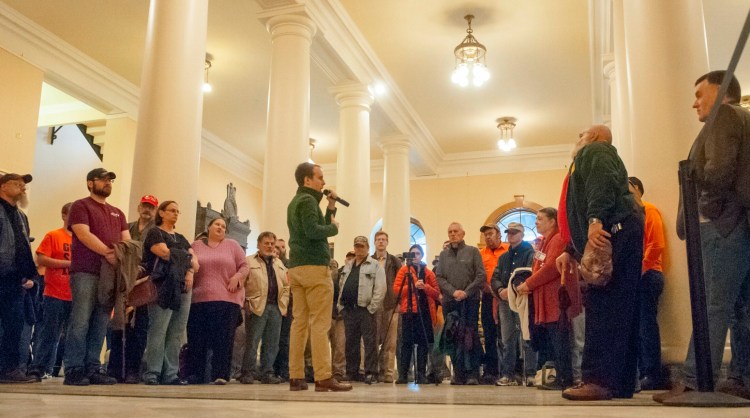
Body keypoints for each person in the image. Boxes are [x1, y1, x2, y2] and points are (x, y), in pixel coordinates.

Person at [656, 71, 750, 402]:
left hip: (722, 225)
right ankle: (741, 378)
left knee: (712, 303)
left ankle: (695, 379)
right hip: (741, 224)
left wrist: (706, 210)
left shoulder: (725, 115)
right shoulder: (745, 118)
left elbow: (719, 169)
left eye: (699, 93)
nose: (694, 101)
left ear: (722, 91)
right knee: (743, 307)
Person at [556, 125, 643, 401]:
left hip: (611, 231)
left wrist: (595, 221)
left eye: (580, 134)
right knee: (621, 305)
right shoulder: (596, 155)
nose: (578, 138)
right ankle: (620, 382)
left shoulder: (595, 150)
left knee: (603, 304)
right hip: (619, 229)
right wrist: (571, 248)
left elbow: (600, 185)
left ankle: (597, 380)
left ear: (592, 137)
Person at [286, 162, 351, 392]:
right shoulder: (308, 201)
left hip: (297, 268)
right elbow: (315, 231)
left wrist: (331, 206)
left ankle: (296, 376)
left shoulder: (297, 202)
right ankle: (323, 377)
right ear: (307, 180)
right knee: (320, 323)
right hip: (315, 268)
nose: (323, 182)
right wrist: (334, 228)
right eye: (320, 177)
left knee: (299, 323)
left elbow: (312, 226)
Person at [64, 168, 130, 386]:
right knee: (81, 320)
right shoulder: (81, 206)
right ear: (90, 183)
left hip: (109, 275)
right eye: (103, 179)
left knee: (101, 321)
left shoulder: (118, 213)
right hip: (86, 270)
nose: (108, 182)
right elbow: (83, 233)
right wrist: (107, 253)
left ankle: (93, 367)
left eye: (110, 179)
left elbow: (126, 241)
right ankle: (74, 368)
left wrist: (120, 256)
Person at [515, 208, 581, 390]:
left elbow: (552, 267)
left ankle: (565, 379)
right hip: (547, 299)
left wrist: (528, 284)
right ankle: (560, 377)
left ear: (552, 221)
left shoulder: (558, 239)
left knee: (561, 340)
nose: (536, 222)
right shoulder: (545, 242)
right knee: (554, 340)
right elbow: (540, 264)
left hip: (556, 300)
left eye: (540, 219)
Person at [141, 201, 198, 385]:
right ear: (162, 213)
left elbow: (196, 263)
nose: (175, 214)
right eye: (172, 211)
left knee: (176, 331)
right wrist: (186, 257)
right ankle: (153, 372)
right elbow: (163, 253)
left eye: (177, 211)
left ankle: (171, 373)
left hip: (183, 286)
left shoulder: (181, 237)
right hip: (163, 285)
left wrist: (189, 271)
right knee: (159, 330)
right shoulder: (155, 233)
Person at [186, 217, 247, 384]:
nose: (220, 228)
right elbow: (189, 264)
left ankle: (220, 374)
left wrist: (237, 276)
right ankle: (196, 374)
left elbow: (245, 265)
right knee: (197, 339)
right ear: (209, 227)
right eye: (217, 224)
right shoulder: (196, 246)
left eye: (223, 226)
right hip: (199, 299)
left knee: (223, 339)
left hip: (226, 299)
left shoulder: (232, 245)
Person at [627, 176, 667, 390]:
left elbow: (656, 244)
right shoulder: (631, 214)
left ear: (638, 189)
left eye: (628, 186)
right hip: (637, 276)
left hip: (648, 274)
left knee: (646, 325)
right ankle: (643, 372)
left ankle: (652, 373)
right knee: (639, 326)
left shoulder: (648, 210)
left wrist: (639, 270)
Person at [435, 222, 485, 385]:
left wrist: (466, 292)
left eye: (456, 231)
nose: (452, 234)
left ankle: (472, 374)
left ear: (463, 234)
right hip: (451, 302)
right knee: (453, 337)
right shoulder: (443, 255)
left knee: (470, 336)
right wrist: (453, 292)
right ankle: (458, 373)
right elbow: (440, 278)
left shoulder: (472, 252)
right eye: (450, 232)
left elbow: (480, 275)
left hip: (469, 301)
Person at [27, 202, 73, 381]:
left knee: (73, 335)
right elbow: (42, 258)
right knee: (49, 333)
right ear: (64, 215)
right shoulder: (54, 236)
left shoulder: (84, 240)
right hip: (55, 292)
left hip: (76, 294)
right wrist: (67, 264)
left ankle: (70, 369)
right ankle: (38, 368)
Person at [0, 173, 37, 384]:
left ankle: (10, 369)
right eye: (17, 184)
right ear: (3, 187)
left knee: (14, 324)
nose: (22, 188)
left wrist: (27, 273)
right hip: (2, 274)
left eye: (24, 186)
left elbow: (23, 245)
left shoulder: (21, 216)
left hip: (15, 279)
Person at [240, 231, 289, 384]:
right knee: (252, 341)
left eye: (271, 244)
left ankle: (267, 372)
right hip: (256, 306)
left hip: (276, 307)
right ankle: (248, 372)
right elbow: (242, 283)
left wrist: (284, 303)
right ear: (258, 245)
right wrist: (246, 301)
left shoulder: (279, 263)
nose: (269, 246)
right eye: (266, 243)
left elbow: (287, 286)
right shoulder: (248, 262)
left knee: (272, 342)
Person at [337, 236, 386, 384]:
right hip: (349, 310)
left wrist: (372, 307)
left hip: (366, 310)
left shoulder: (375, 265)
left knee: (370, 342)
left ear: (367, 248)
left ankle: (371, 372)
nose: (359, 249)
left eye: (362, 247)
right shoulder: (348, 265)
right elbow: (341, 284)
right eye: (357, 246)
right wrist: (341, 306)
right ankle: (352, 372)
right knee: (351, 342)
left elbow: (380, 288)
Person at [491, 222, 535, 386]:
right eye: (509, 232)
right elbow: (494, 278)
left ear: (522, 234)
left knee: (527, 336)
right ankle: (507, 374)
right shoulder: (503, 257)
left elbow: (529, 274)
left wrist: (514, 290)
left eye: (515, 232)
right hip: (505, 302)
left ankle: (530, 373)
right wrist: (501, 289)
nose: (511, 235)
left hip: (523, 300)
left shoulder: (530, 253)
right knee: (507, 338)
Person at [393, 244, 440, 384]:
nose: (415, 256)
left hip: (425, 311)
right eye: (412, 254)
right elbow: (396, 290)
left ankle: (421, 374)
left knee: (423, 344)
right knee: (406, 343)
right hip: (409, 311)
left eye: (417, 253)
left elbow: (437, 293)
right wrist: (413, 287)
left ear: (422, 255)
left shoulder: (429, 273)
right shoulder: (403, 271)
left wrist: (425, 287)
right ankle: (403, 374)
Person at [478, 223, 509, 383]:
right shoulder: (481, 254)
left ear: (498, 235)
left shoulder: (508, 250)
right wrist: (487, 288)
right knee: (489, 334)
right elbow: (478, 274)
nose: (488, 237)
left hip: (506, 296)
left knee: (507, 334)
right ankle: (491, 371)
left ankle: (510, 370)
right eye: (486, 235)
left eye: (490, 234)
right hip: (488, 296)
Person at [371, 231, 402, 383]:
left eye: (383, 239)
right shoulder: (369, 261)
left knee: (390, 341)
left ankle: (388, 373)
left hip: (391, 305)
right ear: (375, 242)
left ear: (387, 242)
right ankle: (374, 371)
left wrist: (399, 303)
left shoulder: (395, 262)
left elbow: (402, 284)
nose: (381, 242)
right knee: (373, 339)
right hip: (374, 306)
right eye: (378, 240)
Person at [272, 237, 291, 381]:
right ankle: (269, 368)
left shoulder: (289, 265)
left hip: (287, 307)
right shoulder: (269, 263)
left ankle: (283, 369)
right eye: (277, 247)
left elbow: (288, 287)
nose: (279, 250)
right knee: (271, 339)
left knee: (284, 340)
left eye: (282, 247)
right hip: (272, 305)